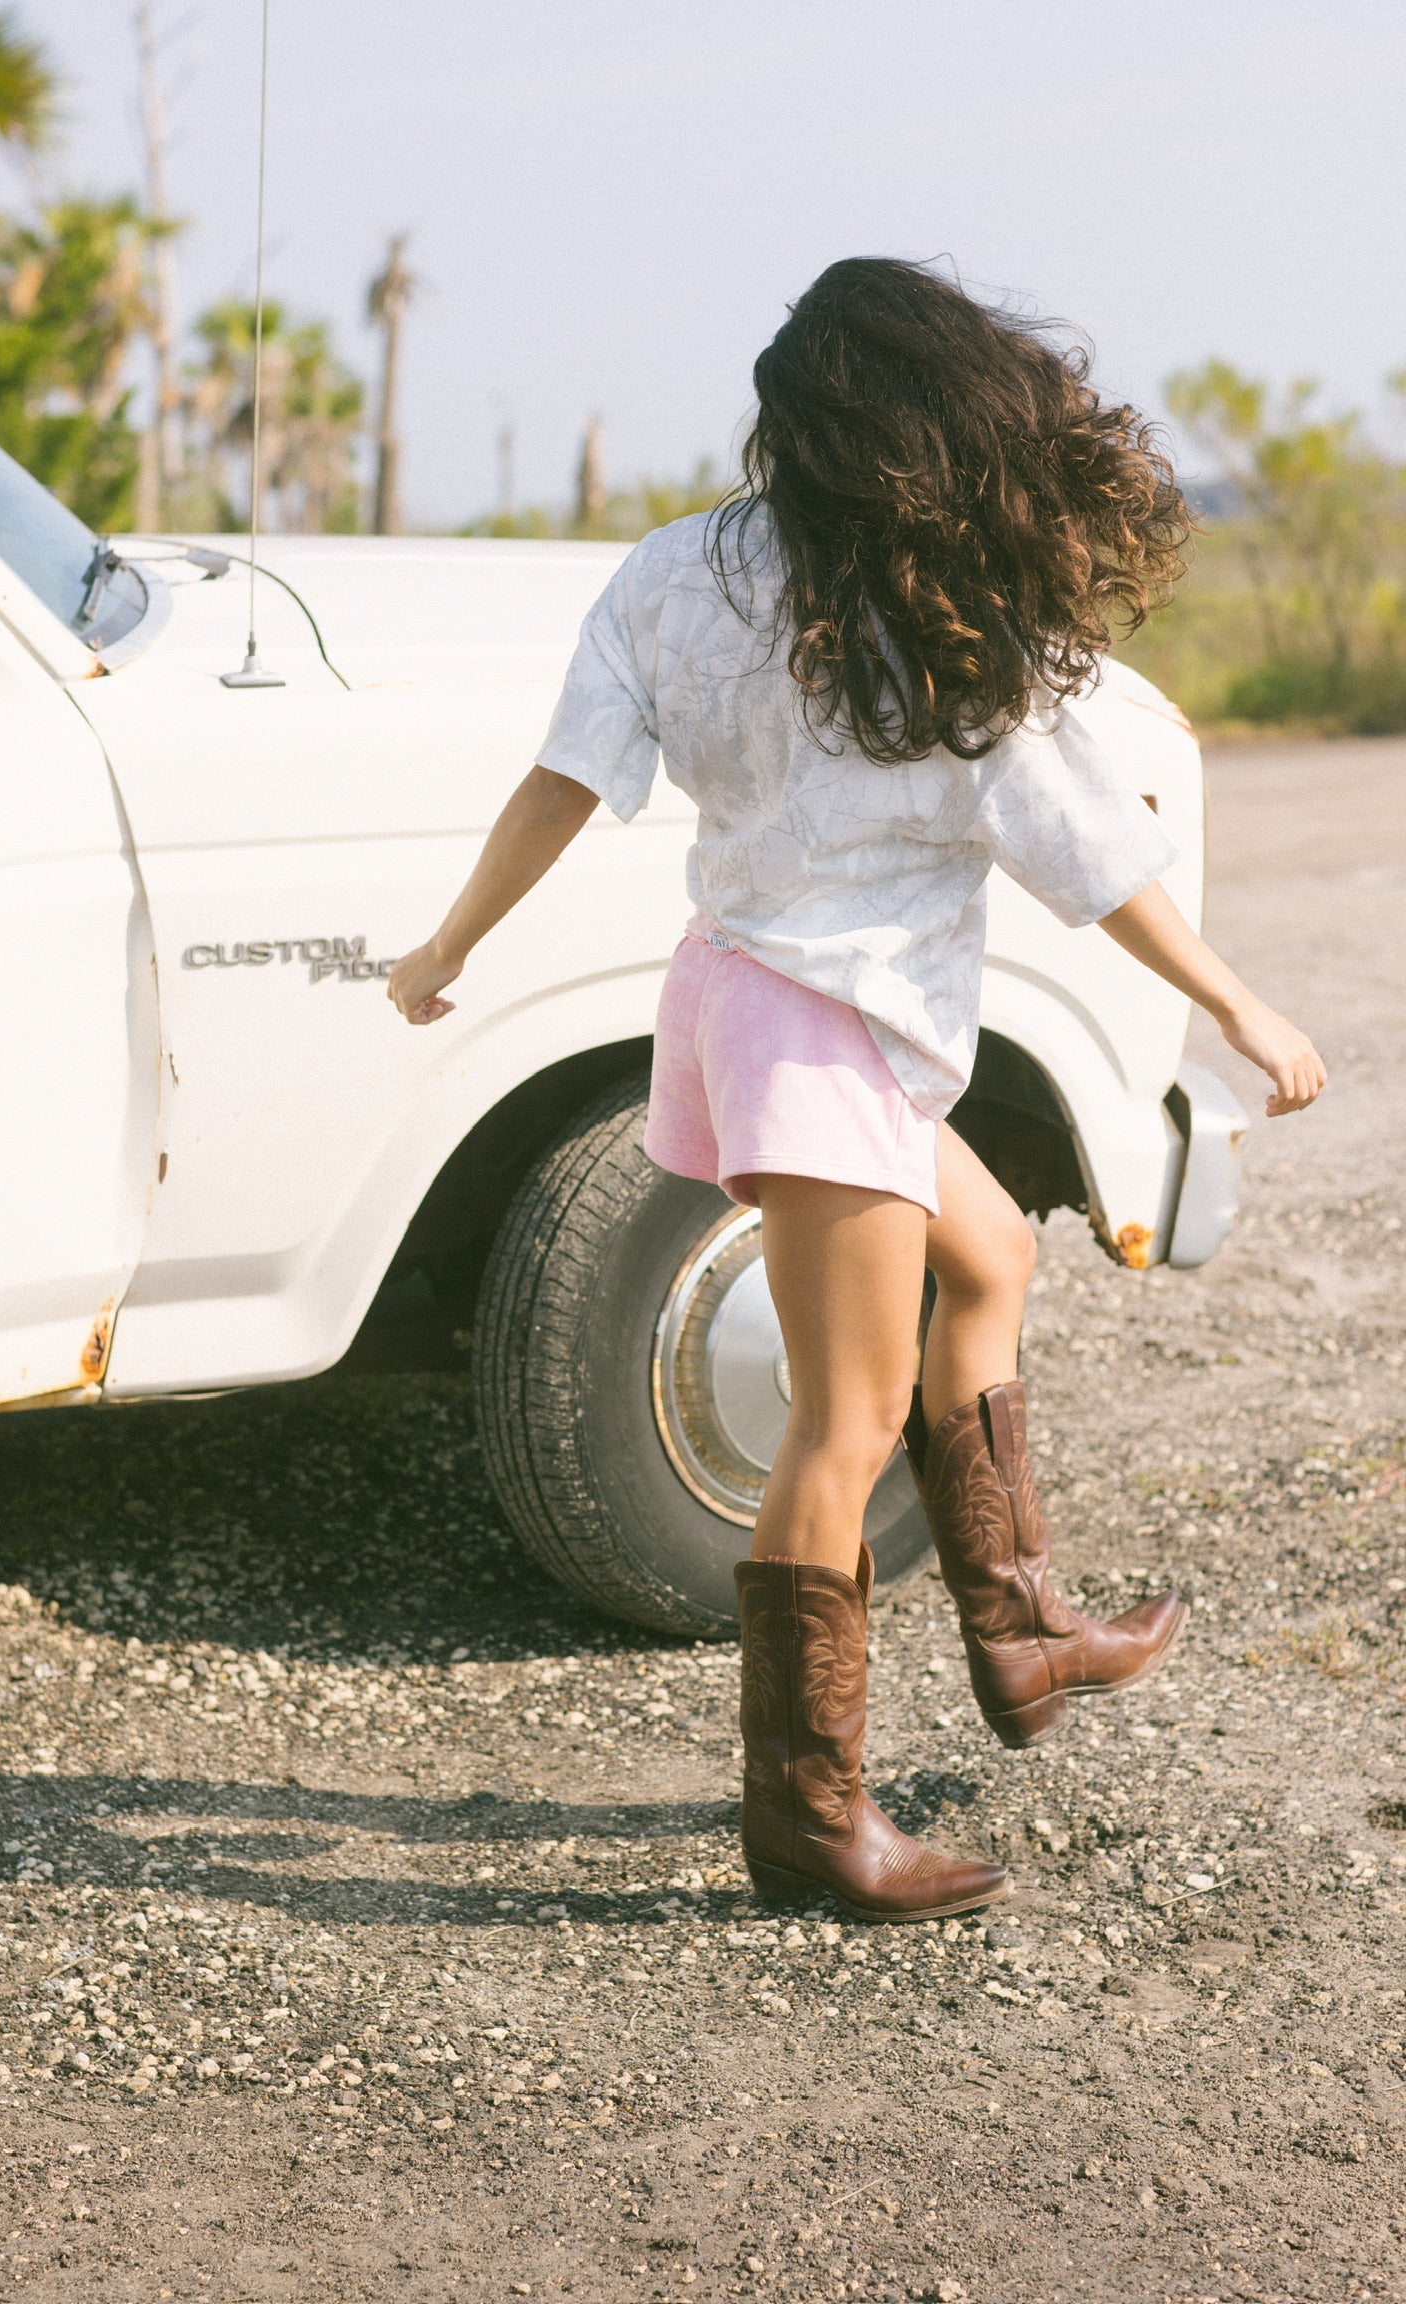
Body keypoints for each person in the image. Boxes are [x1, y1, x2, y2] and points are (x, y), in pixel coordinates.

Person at [387, 259, 1325, 1923]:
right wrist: (1237, 1001)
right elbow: (1093, 861)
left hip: (761, 1006)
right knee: (837, 1425)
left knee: (997, 1258)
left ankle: (1021, 1632)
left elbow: (568, 777)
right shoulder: (933, 606)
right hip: (823, 1038)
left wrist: (453, 939)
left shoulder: (678, 574)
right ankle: (811, 1824)